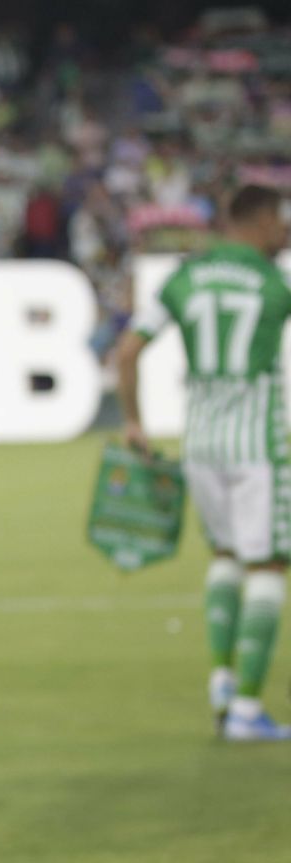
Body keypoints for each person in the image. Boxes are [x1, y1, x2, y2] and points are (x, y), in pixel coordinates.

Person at [114, 184, 291, 741]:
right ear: (259, 222)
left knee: (225, 555)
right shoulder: (273, 280)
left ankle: (220, 678)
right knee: (267, 567)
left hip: (203, 443)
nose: (284, 233)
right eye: (279, 223)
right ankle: (245, 711)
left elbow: (127, 349)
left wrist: (135, 421)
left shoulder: (185, 278)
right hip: (259, 442)